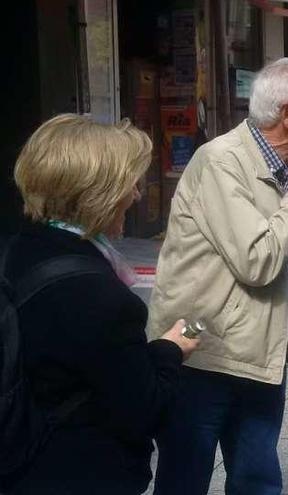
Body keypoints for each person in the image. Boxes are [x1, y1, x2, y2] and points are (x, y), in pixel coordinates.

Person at [148, 58, 288, 495]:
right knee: (185, 480)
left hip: (258, 356)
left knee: (257, 481)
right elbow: (259, 259)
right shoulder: (221, 162)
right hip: (203, 352)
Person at [1, 114, 198, 493]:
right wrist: (170, 350)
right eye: (129, 183)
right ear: (97, 192)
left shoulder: (15, 249)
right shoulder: (100, 298)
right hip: (77, 473)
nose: (137, 194)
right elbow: (145, 411)